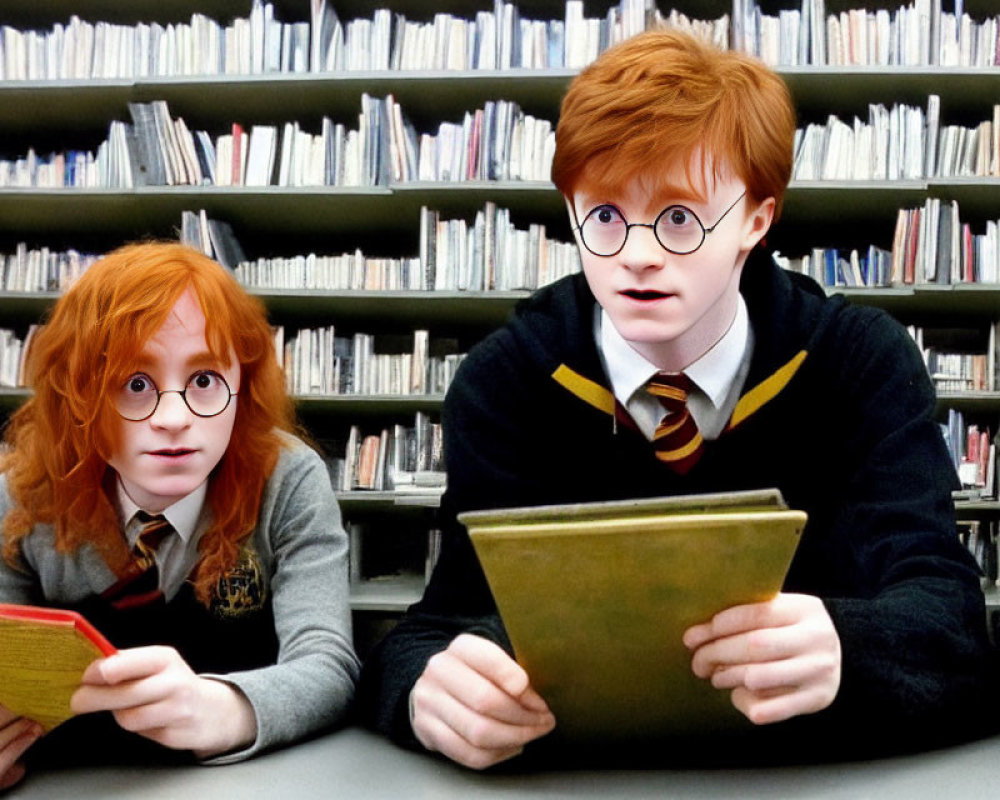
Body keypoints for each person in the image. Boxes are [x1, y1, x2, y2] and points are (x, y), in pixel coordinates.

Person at [357, 28, 995, 770]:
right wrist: (424, 691)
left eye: (681, 219)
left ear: (756, 221)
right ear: (570, 212)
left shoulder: (859, 364)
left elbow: (949, 618)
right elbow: (440, 622)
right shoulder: (505, 383)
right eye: (603, 217)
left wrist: (854, 649)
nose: (637, 253)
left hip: (812, 776)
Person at [0, 243, 359, 790]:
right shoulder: (21, 497)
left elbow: (328, 664)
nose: (174, 418)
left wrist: (223, 709)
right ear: (76, 394)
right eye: (134, 383)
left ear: (244, 386)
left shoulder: (288, 479)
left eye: (204, 381)